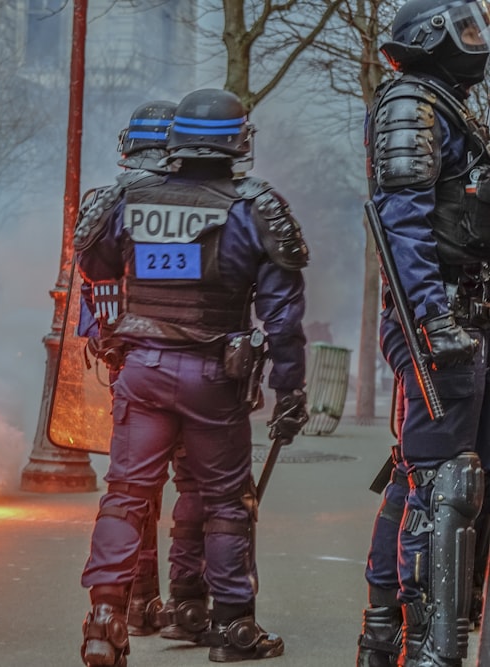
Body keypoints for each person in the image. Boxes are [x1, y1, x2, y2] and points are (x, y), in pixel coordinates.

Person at [75, 88, 309, 666]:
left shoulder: (127, 196)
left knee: (127, 493)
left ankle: (106, 615)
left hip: (141, 370)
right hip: (213, 376)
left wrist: (113, 331)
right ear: (238, 142)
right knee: (225, 498)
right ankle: (231, 627)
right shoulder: (256, 207)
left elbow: (93, 264)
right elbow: (282, 315)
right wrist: (291, 389)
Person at [355, 2, 490, 665]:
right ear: (431, 37)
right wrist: (432, 313)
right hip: (439, 320)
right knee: (443, 485)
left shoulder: (452, 103)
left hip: (468, 317)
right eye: (466, 29)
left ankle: (386, 639)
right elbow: (405, 222)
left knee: (440, 483)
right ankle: (427, 648)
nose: (478, 41)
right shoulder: (415, 102)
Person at [77, 99, 211, 642]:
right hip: (198, 362)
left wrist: (113, 343)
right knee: (197, 484)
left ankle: (136, 602)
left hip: (133, 361)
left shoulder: (108, 200)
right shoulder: (205, 200)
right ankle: (187, 602)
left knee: (135, 488)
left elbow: (96, 288)